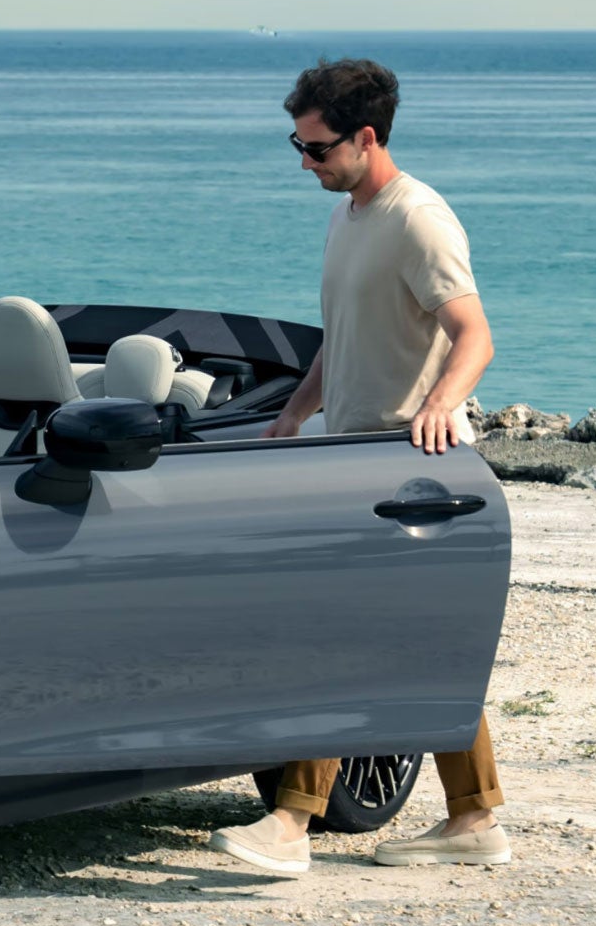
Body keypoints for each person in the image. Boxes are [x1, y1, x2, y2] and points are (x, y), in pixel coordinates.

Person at [210, 58, 511, 878]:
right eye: (297, 145)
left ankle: (291, 822)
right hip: (355, 456)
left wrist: (443, 404)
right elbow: (345, 337)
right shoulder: (349, 214)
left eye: (316, 148)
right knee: (426, 643)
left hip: (410, 467)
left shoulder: (419, 220)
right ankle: (476, 817)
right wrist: (296, 410)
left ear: (365, 137)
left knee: (336, 630)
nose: (303, 162)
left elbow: (473, 333)